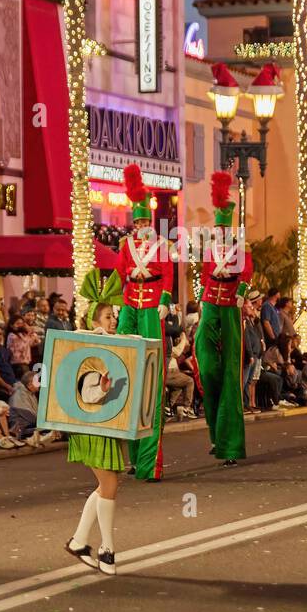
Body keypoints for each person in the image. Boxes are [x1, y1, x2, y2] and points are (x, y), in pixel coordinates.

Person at [63, 275, 129, 575]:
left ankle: (79, 541)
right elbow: (87, 393)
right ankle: (107, 549)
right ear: (94, 322)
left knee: (106, 485)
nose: (113, 320)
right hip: (90, 427)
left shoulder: (108, 346)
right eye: (107, 316)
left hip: (104, 425)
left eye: (114, 316)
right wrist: (103, 388)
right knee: (110, 485)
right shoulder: (90, 348)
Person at [115, 164, 174, 482]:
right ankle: (134, 457)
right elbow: (119, 272)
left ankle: (151, 462)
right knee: (127, 373)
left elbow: (168, 275)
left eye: (143, 222)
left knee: (152, 377)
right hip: (131, 306)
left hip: (151, 307)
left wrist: (165, 300)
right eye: (136, 222)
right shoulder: (126, 246)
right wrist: (126, 279)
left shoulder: (160, 246)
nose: (140, 226)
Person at [195, 172, 253, 466]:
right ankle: (215, 433)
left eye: (222, 227)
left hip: (230, 306)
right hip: (210, 304)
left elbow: (247, 273)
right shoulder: (209, 250)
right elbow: (206, 274)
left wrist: (240, 292)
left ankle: (229, 444)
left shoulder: (240, 249)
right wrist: (204, 291)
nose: (219, 231)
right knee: (206, 366)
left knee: (231, 371)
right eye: (216, 227)